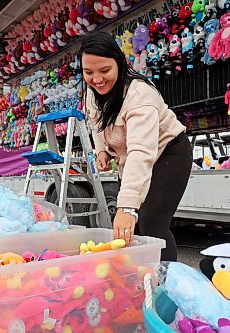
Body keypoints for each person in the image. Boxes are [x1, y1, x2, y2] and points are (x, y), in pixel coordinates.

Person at [80, 31, 192, 261]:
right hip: (132, 159)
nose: (97, 79)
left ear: (120, 64)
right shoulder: (92, 93)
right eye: (88, 72)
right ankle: (139, 283)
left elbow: (141, 152)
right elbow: (95, 121)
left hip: (168, 153)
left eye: (104, 71)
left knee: (151, 222)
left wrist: (127, 208)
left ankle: (167, 286)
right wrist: (101, 149)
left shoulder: (140, 96)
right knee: (133, 231)